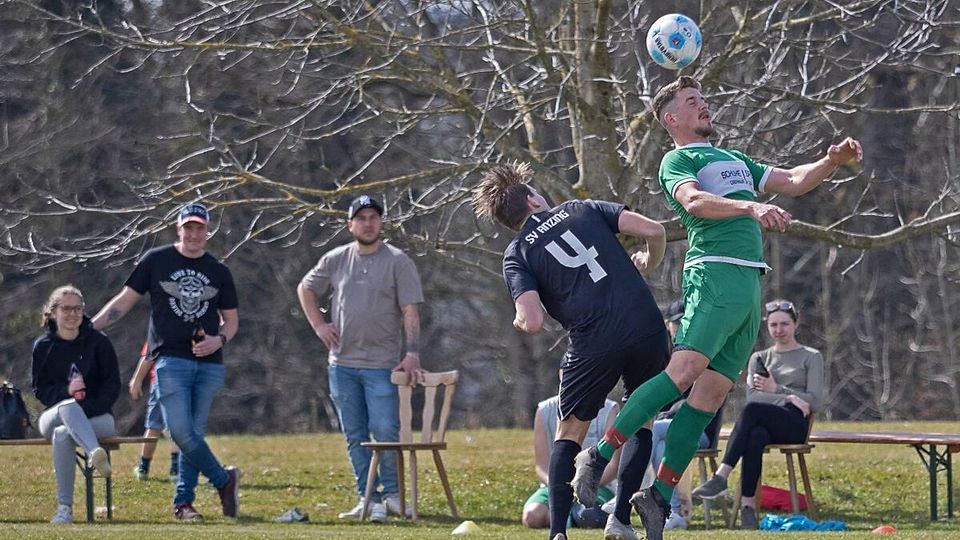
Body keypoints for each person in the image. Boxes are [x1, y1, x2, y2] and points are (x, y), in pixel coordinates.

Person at [572, 75, 861, 540]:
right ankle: (599, 454)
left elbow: (791, 180)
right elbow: (693, 201)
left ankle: (658, 497)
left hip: (749, 284)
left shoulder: (735, 159)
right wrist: (749, 209)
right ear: (672, 119)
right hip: (714, 273)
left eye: (703, 99)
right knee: (682, 372)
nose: (704, 106)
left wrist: (830, 160)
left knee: (708, 398)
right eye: (692, 102)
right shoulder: (678, 158)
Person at [472, 162, 670, 540]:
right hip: (646, 325)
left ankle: (558, 533)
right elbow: (655, 230)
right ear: (532, 198)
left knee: (570, 432)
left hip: (595, 339)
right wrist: (649, 261)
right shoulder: (583, 207)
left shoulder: (517, 253)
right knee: (640, 418)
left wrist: (519, 319)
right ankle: (621, 522)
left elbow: (530, 320)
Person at [91, 202, 240, 521]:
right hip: (171, 360)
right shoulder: (156, 261)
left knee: (192, 435)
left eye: (200, 228)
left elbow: (232, 321)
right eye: (189, 227)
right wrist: (89, 327)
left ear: (208, 231)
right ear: (178, 228)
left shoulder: (219, 270)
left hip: (210, 363)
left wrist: (220, 339)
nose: (194, 234)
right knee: (180, 431)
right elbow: (124, 301)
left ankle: (184, 504)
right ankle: (224, 480)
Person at [297, 195, 423, 523]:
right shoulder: (336, 259)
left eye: (373, 217)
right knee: (354, 434)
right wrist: (319, 326)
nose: (368, 223)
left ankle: (393, 497)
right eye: (361, 217)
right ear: (350, 224)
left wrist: (412, 353)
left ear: (381, 222)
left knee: (384, 429)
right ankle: (368, 498)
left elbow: (410, 310)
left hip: (382, 364)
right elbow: (305, 289)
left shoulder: (398, 261)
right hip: (341, 365)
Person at [692, 299, 824, 529]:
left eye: (784, 324)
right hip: (765, 419)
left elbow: (815, 400)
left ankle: (722, 475)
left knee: (752, 412)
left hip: (794, 424)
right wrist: (788, 397)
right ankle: (748, 508)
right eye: (773, 325)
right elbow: (753, 397)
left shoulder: (811, 357)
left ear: (795, 324)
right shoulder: (760, 358)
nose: (779, 330)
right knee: (755, 436)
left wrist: (776, 390)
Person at [32, 285, 120, 524]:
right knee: (65, 409)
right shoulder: (43, 347)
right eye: (66, 309)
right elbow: (40, 389)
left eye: (78, 309)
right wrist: (66, 394)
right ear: (52, 312)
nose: (73, 314)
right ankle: (94, 452)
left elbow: (112, 387)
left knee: (63, 435)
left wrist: (83, 411)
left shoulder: (99, 342)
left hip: (98, 418)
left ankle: (64, 510)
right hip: (54, 415)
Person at [523, 391, 621, 529]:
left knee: (588, 516)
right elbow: (541, 467)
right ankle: (567, 516)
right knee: (532, 516)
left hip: (597, 486)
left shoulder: (610, 409)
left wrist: (583, 485)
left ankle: (569, 516)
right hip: (553, 485)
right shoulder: (544, 409)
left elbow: (613, 466)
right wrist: (559, 487)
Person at [129, 340, 181, 482]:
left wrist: (137, 379)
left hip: (160, 382)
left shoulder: (159, 330)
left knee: (153, 426)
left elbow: (147, 357)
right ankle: (176, 470)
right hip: (181, 382)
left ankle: (143, 467)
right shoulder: (186, 329)